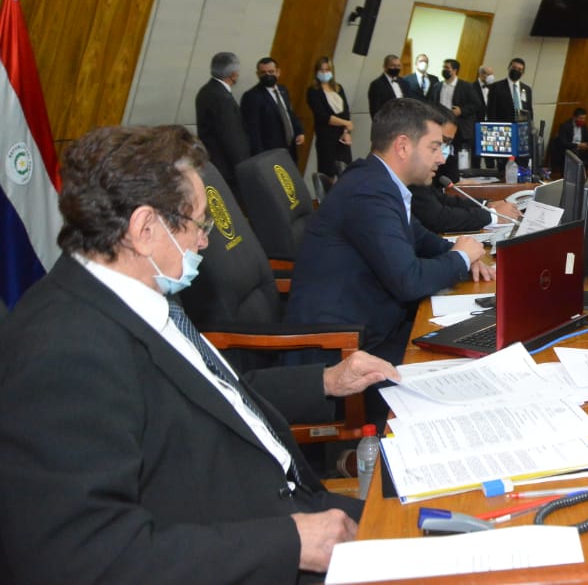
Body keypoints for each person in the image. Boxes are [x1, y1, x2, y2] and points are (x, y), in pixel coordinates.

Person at [0, 124, 399, 582]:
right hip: (254, 553)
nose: (206, 241)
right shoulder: (61, 354)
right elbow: (83, 559)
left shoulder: (141, 294)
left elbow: (213, 398)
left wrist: (327, 380)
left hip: (293, 513)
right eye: (199, 222)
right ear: (145, 229)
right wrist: (290, 543)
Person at [286, 100, 494, 365]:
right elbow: (409, 281)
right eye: (434, 147)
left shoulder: (379, 181)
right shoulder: (368, 192)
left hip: (375, 329)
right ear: (403, 146)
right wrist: (461, 258)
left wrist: (469, 256)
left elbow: (420, 237)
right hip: (344, 350)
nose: (441, 158)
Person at [409, 119, 520, 233]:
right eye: (437, 145)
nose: (442, 159)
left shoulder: (418, 180)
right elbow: (438, 218)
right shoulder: (410, 181)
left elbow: (442, 200)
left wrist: (486, 205)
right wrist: (493, 216)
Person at [194, 51, 250, 192]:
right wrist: (243, 166)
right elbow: (231, 136)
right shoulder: (222, 98)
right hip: (226, 167)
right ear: (233, 74)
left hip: (213, 161)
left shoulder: (206, 90)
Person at [427, 58, 484, 180]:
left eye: (447, 68)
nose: (444, 70)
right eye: (443, 67)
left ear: (455, 70)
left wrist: (461, 110)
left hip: (460, 128)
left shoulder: (466, 86)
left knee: (458, 156)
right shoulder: (437, 86)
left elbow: (476, 103)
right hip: (441, 127)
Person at [240, 56, 305, 161]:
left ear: (278, 72)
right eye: (263, 73)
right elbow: (253, 131)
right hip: (269, 153)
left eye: (271, 71)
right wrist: (260, 158)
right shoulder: (252, 96)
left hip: (290, 149)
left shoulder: (283, 90)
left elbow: (289, 113)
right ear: (258, 74)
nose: (267, 75)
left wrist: (299, 131)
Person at [306, 56, 354, 179]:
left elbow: (346, 111)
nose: (325, 73)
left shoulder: (338, 88)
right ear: (316, 72)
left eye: (327, 70)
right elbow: (323, 116)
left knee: (346, 174)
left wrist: (346, 131)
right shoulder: (313, 91)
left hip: (342, 138)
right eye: (321, 70)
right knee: (328, 174)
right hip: (326, 139)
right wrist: (346, 122)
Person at [550, 107, 588, 173]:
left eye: (584, 118)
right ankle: (575, 177)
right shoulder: (565, 126)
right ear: (574, 117)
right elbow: (563, 142)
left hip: (582, 149)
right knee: (574, 153)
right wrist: (578, 145)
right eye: (581, 118)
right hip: (570, 149)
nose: (583, 120)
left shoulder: (584, 125)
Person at [486, 57, 532, 122]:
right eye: (514, 68)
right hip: (503, 127)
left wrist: (530, 126)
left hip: (521, 127)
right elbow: (491, 110)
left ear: (523, 72)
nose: (516, 70)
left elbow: (529, 110)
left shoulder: (527, 89)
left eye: (519, 69)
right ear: (509, 68)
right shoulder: (496, 86)